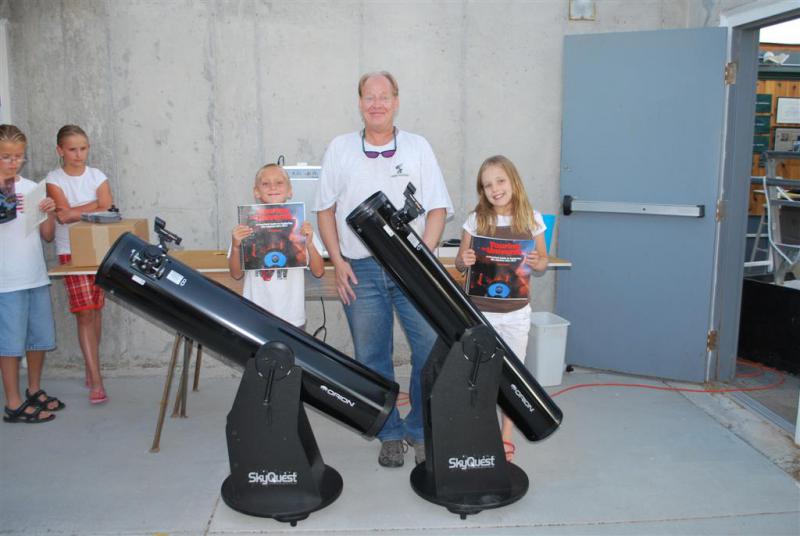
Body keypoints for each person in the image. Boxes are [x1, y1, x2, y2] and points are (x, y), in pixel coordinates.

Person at [315, 71, 453, 468]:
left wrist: (421, 260)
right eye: (369, 96)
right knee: (372, 356)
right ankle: (389, 432)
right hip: (360, 270)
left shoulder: (418, 147)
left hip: (411, 272)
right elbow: (325, 210)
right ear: (359, 102)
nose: (376, 103)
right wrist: (337, 261)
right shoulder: (340, 148)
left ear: (396, 100)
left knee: (429, 350)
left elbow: (438, 208)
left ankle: (420, 430)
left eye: (384, 96)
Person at [455, 155, 549, 461]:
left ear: (513, 181)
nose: (495, 189)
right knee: (479, 374)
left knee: (513, 376)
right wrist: (464, 261)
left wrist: (538, 262)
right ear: (482, 191)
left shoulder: (532, 219)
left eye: (500, 181)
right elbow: (460, 262)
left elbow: (543, 260)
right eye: (487, 185)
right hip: (481, 313)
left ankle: (506, 434)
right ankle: (479, 429)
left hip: (517, 313)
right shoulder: (476, 220)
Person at [0, 124, 64, 423]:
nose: (14, 162)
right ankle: (12, 403)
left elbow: (48, 235)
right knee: (10, 344)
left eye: (19, 156)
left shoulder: (30, 187)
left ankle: (34, 390)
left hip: (35, 274)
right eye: (6, 157)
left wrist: (49, 211)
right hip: (6, 281)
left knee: (38, 339)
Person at [46, 125, 113, 404]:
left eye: (83, 148)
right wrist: (93, 204)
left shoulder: (97, 175)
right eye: (72, 149)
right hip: (70, 252)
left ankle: (91, 366)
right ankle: (96, 381)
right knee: (84, 313)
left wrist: (77, 210)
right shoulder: (53, 178)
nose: (79, 154)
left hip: (99, 250)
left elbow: (108, 207)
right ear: (60, 151)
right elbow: (62, 216)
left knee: (95, 311)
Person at [228, 163, 324, 329]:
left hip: (292, 317)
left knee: (290, 355)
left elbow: (318, 271)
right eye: (265, 184)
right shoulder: (246, 228)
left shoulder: (301, 228)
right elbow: (236, 274)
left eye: (279, 183)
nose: (273, 187)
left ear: (290, 191)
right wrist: (236, 246)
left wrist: (309, 244)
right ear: (256, 191)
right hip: (255, 314)